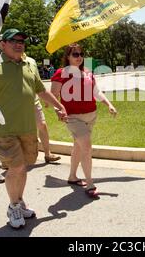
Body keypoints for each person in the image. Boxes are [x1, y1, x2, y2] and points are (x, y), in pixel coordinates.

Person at [0, 29, 67, 229]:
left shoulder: (30, 64)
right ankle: (13, 206)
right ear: (2, 44)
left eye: (21, 40)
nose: (18, 43)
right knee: (15, 168)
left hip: (27, 127)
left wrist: (59, 105)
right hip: (3, 129)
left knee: (23, 167)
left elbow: (40, 90)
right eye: (12, 40)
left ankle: (19, 201)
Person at [51, 43, 117, 199]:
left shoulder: (87, 72)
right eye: (75, 54)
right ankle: (90, 184)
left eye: (81, 54)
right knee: (86, 147)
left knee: (79, 146)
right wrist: (58, 110)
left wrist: (109, 104)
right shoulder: (61, 73)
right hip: (73, 117)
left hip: (91, 115)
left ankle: (72, 176)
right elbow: (53, 95)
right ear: (67, 56)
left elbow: (96, 91)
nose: (79, 57)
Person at [25, 56, 61, 163]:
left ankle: (47, 154)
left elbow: (38, 82)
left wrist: (45, 99)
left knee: (42, 125)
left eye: (21, 42)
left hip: (34, 101)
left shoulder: (31, 61)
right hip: (18, 104)